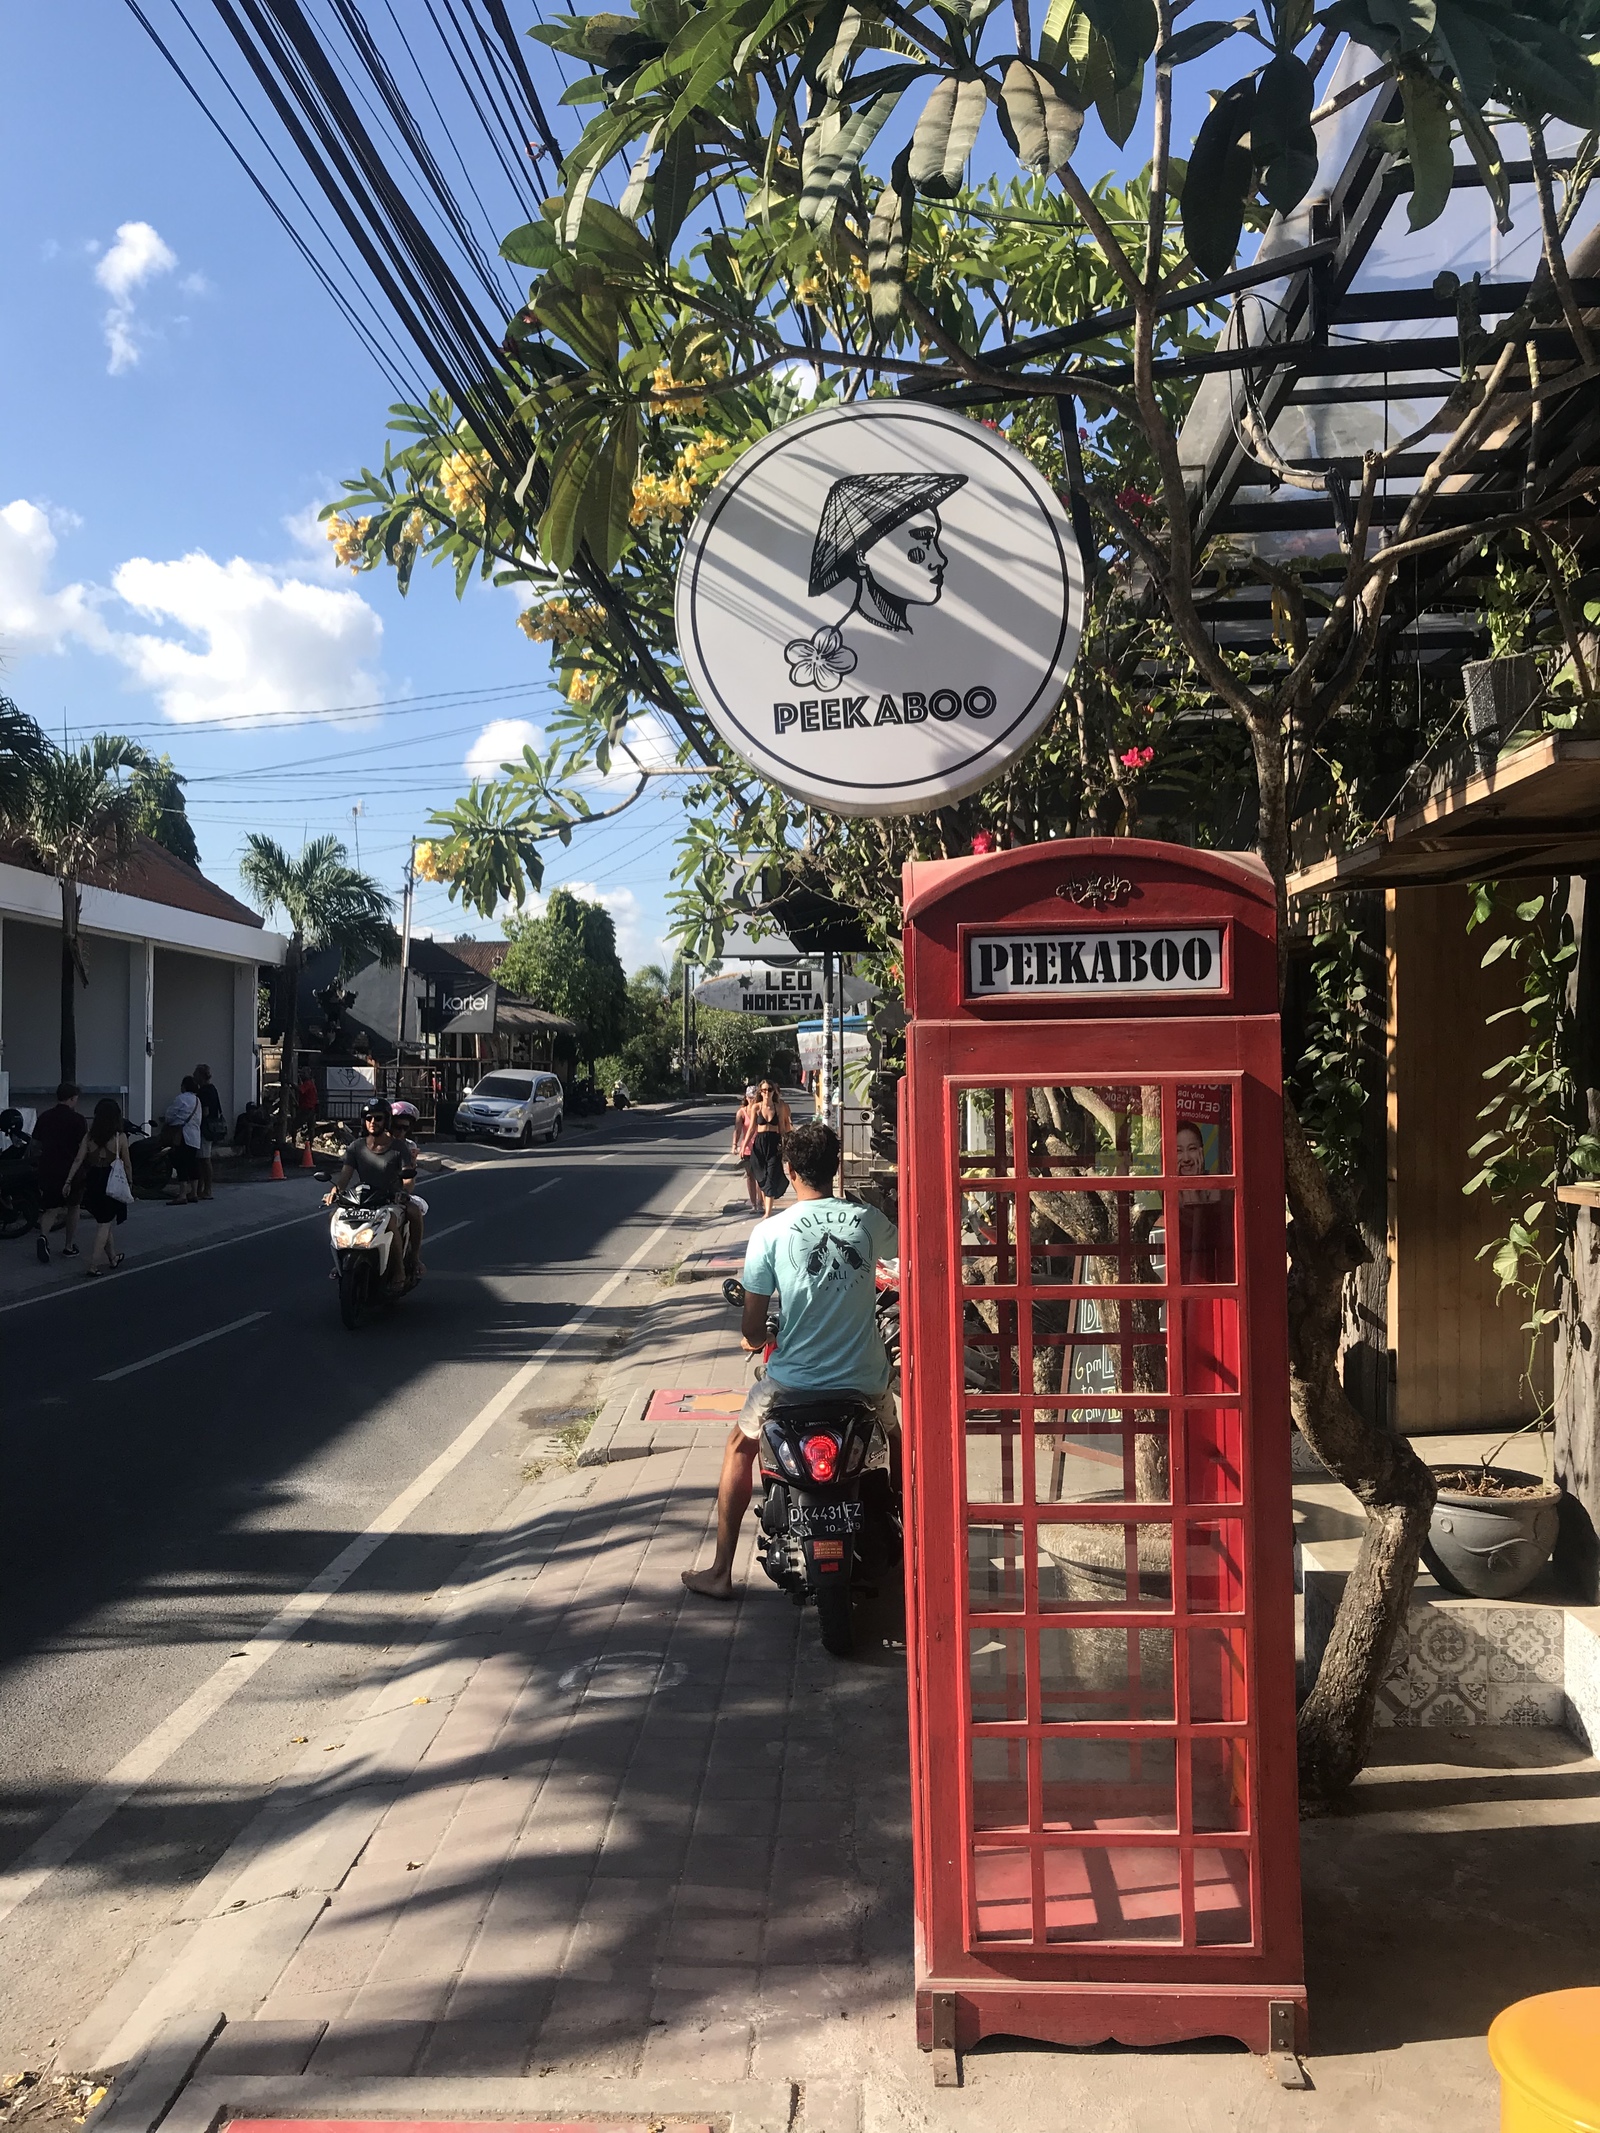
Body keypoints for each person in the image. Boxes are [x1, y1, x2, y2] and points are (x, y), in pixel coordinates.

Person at [682, 1120, 898, 1601]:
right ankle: (911, 1529)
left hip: (789, 1385)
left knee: (740, 1445)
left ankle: (720, 1571)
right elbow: (911, 1260)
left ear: (789, 1169)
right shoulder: (865, 1220)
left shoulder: (770, 1231)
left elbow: (753, 1329)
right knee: (896, 1436)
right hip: (864, 1379)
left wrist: (758, 1337)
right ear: (837, 1168)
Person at [322, 1099, 424, 1284]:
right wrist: (334, 1192)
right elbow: (344, 1178)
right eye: (369, 1118)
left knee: (403, 1215)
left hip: (390, 1200)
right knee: (333, 1216)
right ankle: (341, 1262)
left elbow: (408, 1180)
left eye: (378, 1118)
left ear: (386, 1121)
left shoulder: (399, 1147)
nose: (373, 1122)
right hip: (363, 1199)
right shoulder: (356, 1147)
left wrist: (404, 1192)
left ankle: (403, 1268)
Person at [63, 1098, 131, 1277]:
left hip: (93, 1180)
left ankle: (113, 1258)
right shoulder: (119, 1138)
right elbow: (127, 1163)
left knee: (103, 1220)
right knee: (104, 1224)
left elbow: (78, 1159)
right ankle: (93, 1265)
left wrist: (68, 1181)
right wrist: (130, 1183)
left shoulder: (89, 1137)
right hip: (111, 1180)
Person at [33, 1081, 87, 1264]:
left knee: (51, 1209)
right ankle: (69, 1246)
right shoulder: (78, 1120)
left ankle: (43, 1236)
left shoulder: (45, 1117)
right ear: (72, 1098)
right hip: (71, 1169)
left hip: (48, 1168)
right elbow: (82, 1148)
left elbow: (36, 1143)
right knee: (73, 1207)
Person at [747, 1079, 794, 1219]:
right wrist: (743, 1145)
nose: (766, 1092)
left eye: (769, 1090)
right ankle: (764, 1203)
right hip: (760, 1143)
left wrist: (786, 1143)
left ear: (773, 1091)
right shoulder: (756, 1107)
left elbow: (782, 1126)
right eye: (764, 1090)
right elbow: (751, 1128)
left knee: (772, 1175)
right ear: (760, 1092)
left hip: (774, 1142)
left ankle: (768, 1212)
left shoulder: (778, 1107)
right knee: (761, 1175)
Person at [163, 1076, 204, 1204]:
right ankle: (194, 1192)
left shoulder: (181, 1099)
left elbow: (169, 1115)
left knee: (181, 1164)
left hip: (183, 1136)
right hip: (195, 1136)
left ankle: (182, 1195)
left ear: (184, 1086)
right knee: (193, 1164)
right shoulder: (197, 1101)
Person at [192, 1064, 225, 1199]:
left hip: (204, 1129)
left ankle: (206, 1190)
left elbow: (205, 1112)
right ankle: (201, 1189)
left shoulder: (204, 1091)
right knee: (202, 1159)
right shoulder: (213, 1089)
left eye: (195, 1075)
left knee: (204, 1159)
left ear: (200, 1076)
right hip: (210, 1128)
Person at [732, 1084, 761, 1212]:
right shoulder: (741, 1112)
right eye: (749, 1097)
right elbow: (737, 1130)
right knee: (750, 1175)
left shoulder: (761, 1110)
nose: (752, 1100)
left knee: (761, 1175)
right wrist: (735, 1145)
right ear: (746, 1097)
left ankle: (761, 1202)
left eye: (754, 1097)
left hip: (760, 1146)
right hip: (748, 1147)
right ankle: (753, 1204)